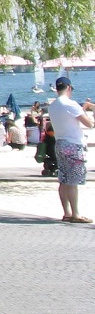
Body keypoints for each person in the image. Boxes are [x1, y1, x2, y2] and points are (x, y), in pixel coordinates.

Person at [49, 76, 95, 222]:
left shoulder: (53, 105)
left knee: (63, 179)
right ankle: (76, 214)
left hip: (60, 142)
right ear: (69, 88)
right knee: (73, 181)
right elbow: (89, 123)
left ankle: (67, 212)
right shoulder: (71, 103)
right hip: (73, 144)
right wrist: (86, 109)